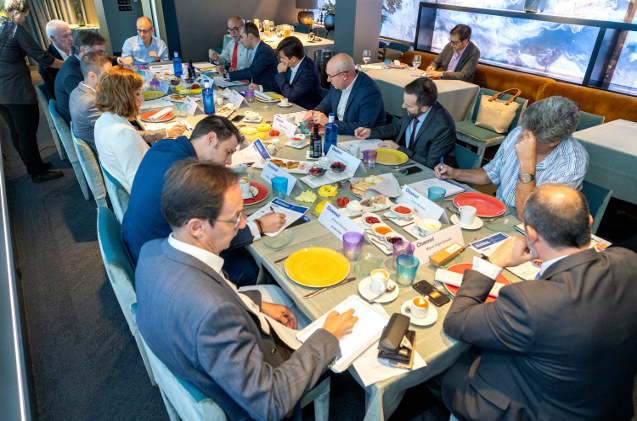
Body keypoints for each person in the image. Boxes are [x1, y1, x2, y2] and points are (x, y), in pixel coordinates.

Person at [136, 160, 358, 421]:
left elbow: (217, 291)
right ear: (197, 227)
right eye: (235, 218)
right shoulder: (213, 315)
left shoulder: (150, 250)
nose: (243, 225)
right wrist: (326, 336)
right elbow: (272, 402)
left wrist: (257, 305)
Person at [428, 184, 637, 420]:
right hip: (605, 405)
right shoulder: (629, 262)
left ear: (532, 235)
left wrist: (494, 261)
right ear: (588, 222)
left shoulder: (530, 302)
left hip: (536, 410)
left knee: (438, 366)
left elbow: (456, 322)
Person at [121, 115, 285, 286]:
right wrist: (260, 226)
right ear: (211, 138)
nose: (228, 161)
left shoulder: (164, 145)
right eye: (227, 152)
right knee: (250, 266)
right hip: (161, 265)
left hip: (137, 242)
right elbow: (209, 236)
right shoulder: (187, 175)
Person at [435, 96, 589, 220]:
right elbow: (492, 172)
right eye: (523, 128)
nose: (520, 136)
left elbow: (528, 216)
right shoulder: (518, 133)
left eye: (528, 135)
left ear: (554, 141)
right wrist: (456, 174)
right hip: (499, 213)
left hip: (532, 229)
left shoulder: (571, 166)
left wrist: (527, 164)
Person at [70, 52, 184, 153]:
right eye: (107, 74)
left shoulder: (77, 91)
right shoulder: (91, 103)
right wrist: (166, 132)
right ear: (92, 76)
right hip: (113, 152)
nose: (112, 77)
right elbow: (124, 134)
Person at [0, 0, 64, 182]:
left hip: (1, 93)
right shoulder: (13, 28)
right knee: (27, 133)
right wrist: (68, 64)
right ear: (15, 12)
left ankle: (33, 166)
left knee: (15, 131)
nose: (24, 20)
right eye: (24, 16)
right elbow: (43, 58)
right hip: (16, 89)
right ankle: (37, 173)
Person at [354, 77, 456, 169]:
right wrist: (370, 132)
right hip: (402, 162)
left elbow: (431, 164)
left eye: (408, 105)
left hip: (425, 172)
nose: (403, 106)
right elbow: (398, 127)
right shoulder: (415, 107)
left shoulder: (443, 127)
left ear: (425, 108)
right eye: (404, 102)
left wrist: (399, 149)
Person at [94, 66, 149, 192]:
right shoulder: (122, 132)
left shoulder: (102, 120)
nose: (142, 99)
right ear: (122, 96)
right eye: (137, 94)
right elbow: (138, 183)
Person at [303, 53, 386, 135]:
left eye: (330, 76)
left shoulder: (369, 92)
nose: (328, 80)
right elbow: (325, 105)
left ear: (344, 76)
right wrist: (314, 113)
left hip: (365, 141)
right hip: (342, 135)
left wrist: (330, 123)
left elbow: (362, 128)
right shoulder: (337, 84)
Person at [248, 36, 322, 110]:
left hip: (304, 109)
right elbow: (279, 84)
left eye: (283, 57)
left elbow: (290, 97)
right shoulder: (291, 63)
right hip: (290, 106)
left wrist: (281, 73)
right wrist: (260, 88)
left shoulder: (308, 71)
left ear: (293, 58)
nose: (281, 60)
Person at [54, 31, 106, 123]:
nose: (102, 57)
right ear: (83, 50)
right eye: (99, 52)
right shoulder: (71, 74)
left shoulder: (77, 62)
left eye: (104, 53)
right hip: (82, 121)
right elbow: (89, 102)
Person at [37, 19, 72, 97]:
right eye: (65, 36)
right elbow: (57, 92)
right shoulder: (47, 61)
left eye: (70, 34)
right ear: (53, 38)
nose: (71, 39)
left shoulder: (77, 50)